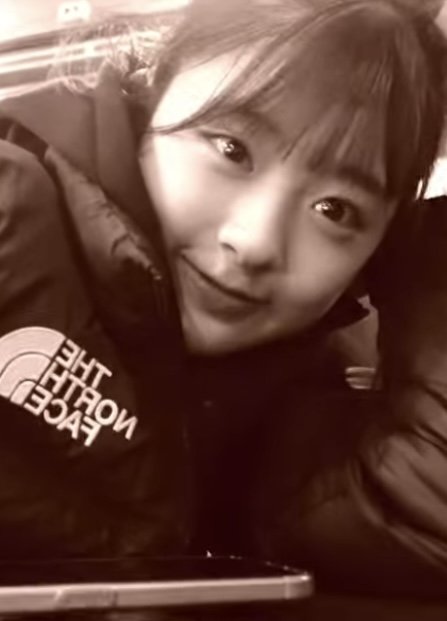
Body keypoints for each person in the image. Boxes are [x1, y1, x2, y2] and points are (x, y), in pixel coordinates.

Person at [0, 0, 446, 597]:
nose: (256, 241)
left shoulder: (290, 407)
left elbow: (428, 515)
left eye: (335, 211)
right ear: (149, 96)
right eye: (232, 150)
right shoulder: (12, 219)